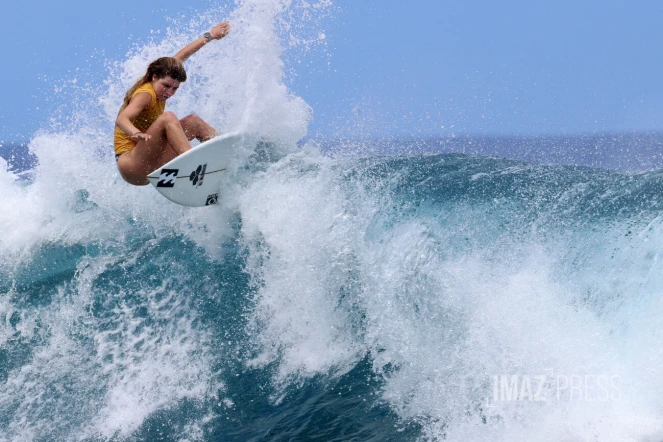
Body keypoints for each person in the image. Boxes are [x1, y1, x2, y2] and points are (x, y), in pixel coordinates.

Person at [114, 21, 231, 185]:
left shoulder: (164, 72)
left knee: (194, 121)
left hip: (151, 160)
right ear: (154, 76)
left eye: (174, 88)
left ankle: (231, 158)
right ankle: (195, 166)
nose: (169, 93)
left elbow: (182, 56)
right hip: (132, 165)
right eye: (166, 86)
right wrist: (135, 133)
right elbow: (121, 120)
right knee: (168, 118)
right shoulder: (145, 94)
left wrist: (210, 35)